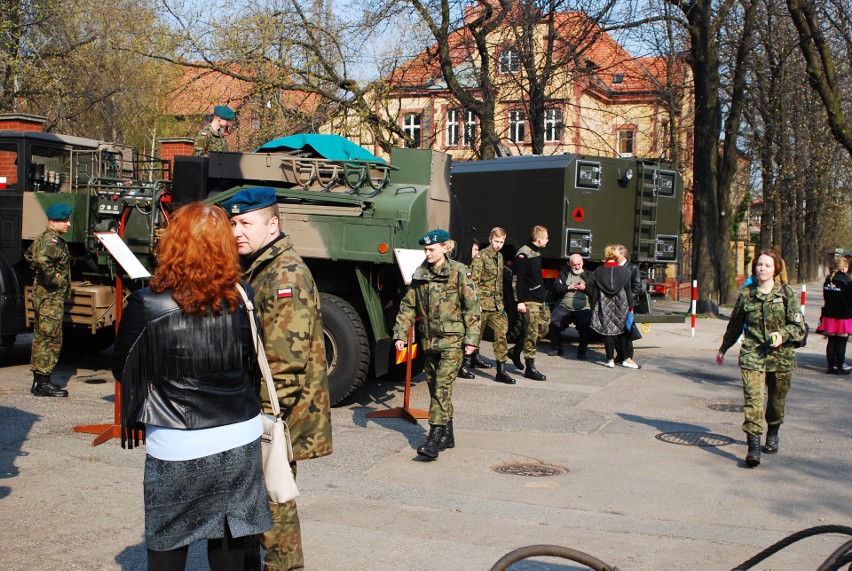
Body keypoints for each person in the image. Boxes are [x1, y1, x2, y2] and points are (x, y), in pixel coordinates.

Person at [112, 203, 273, 570]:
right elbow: (252, 360)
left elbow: (123, 368)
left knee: (169, 542)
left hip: (176, 440)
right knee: (230, 541)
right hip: (238, 434)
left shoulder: (148, 303)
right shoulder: (242, 295)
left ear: (172, 243)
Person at [223, 187, 333, 571]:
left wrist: (264, 422)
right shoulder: (260, 266)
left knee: (274, 503)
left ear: (273, 225)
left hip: (273, 414)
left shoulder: (286, 274)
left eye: (245, 223)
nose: (237, 230)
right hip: (261, 409)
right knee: (260, 502)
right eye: (233, 222)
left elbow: (286, 362)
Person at [392, 229, 481, 460]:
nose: (427, 253)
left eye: (431, 249)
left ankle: (433, 437)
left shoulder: (460, 272)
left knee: (442, 385)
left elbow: (472, 307)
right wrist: (400, 334)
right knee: (435, 388)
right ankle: (448, 434)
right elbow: (408, 307)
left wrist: (472, 340)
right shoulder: (420, 273)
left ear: (445, 248)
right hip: (429, 340)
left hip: (453, 340)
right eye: (425, 249)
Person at [716, 249, 806, 468]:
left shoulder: (786, 293)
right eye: (759, 265)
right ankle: (753, 447)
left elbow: (799, 327)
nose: (762, 269)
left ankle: (773, 430)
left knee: (776, 401)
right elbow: (736, 323)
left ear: (775, 269)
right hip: (753, 354)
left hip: (781, 357)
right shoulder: (746, 294)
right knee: (753, 400)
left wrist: (782, 335)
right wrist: (724, 348)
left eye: (767, 265)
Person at [25, 203, 73, 397]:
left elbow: (29, 255)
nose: (68, 224)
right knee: (49, 339)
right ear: (53, 221)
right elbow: (40, 260)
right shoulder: (51, 241)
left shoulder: (47, 238)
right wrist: (56, 280)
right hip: (49, 299)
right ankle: (42, 383)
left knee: (44, 337)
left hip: (46, 297)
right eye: (65, 220)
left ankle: (40, 381)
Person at [469, 227, 515, 384]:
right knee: (474, 335)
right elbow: (472, 282)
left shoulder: (500, 257)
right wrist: (475, 303)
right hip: (481, 304)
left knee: (501, 334)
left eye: (501, 242)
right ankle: (462, 364)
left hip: (496, 305)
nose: (498, 245)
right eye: (496, 241)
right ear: (490, 239)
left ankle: (501, 371)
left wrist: (501, 303)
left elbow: (499, 282)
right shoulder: (480, 257)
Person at [507, 225, 550, 381]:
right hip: (528, 300)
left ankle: (515, 351)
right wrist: (520, 301)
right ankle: (530, 367)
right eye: (546, 238)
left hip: (539, 298)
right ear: (539, 239)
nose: (548, 240)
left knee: (542, 330)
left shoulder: (536, 252)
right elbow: (517, 280)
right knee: (531, 333)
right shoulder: (523, 254)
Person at [590, 244, 634, 369]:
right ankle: (626, 358)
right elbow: (629, 292)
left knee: (608, 332)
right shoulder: (625, 272)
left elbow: (594, 293)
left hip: (604, 306)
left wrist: (593, 307)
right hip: (622, 306)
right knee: (622, 332)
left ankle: (610, 360)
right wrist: (631, 308)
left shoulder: (598, 272)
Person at [548, 254, 593, 360]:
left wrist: (584, 288)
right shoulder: (564, 274)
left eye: (579, 264)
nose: (577, 267)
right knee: (553, 321)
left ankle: (582, 351)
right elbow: (556, 287)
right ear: (570, 264)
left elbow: (594, 292)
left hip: (584, 307)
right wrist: (568, 287)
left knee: (587, 323)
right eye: (574, 265)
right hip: (565, 306)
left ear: (583, 263)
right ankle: (556, 348)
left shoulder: (589, 275)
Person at [821, 255, 852, 375]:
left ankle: (830, 368)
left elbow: (825, 297)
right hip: (843, 317)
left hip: (829, 315)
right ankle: (839, 367)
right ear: (845, 267)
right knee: (841, 342)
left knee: (831, 341)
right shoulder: (847, 281)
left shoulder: (828, 280)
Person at [615, 245, 642, 369]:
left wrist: (627, 298)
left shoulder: (633, 267)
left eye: (616, 253)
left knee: (626, 331)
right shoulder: (613, 267)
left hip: (626, 304)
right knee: (615, 331)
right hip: (614, 303)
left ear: (623, 254)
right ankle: (620, 355)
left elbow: (637, 286)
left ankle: (628, 356)